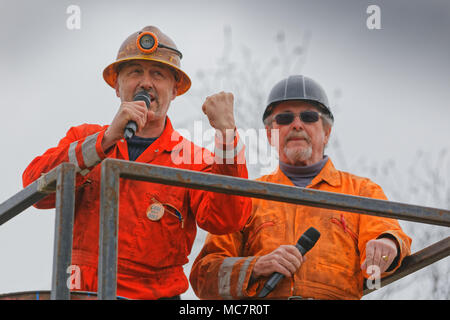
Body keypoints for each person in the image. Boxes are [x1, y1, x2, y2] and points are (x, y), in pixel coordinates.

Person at [22, 26, 251, 300]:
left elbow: (227, 218)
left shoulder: (192, 159)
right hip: (82, 293)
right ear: (116, 86)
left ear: (175, 90)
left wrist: (227, 137)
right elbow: (35, 188)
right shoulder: (84, 138)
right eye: (135, 72)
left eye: (158, 74)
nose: (146, 83)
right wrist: (104, 141)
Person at [189, 75, 412, 300]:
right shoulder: (247, 197)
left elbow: (388, 237)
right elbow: (204, 277)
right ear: (269, 135)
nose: (296, 124)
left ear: (327, 132)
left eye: (308, 116)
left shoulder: (361, 191)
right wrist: (256, 267)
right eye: (285, 118)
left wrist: (388, 244)